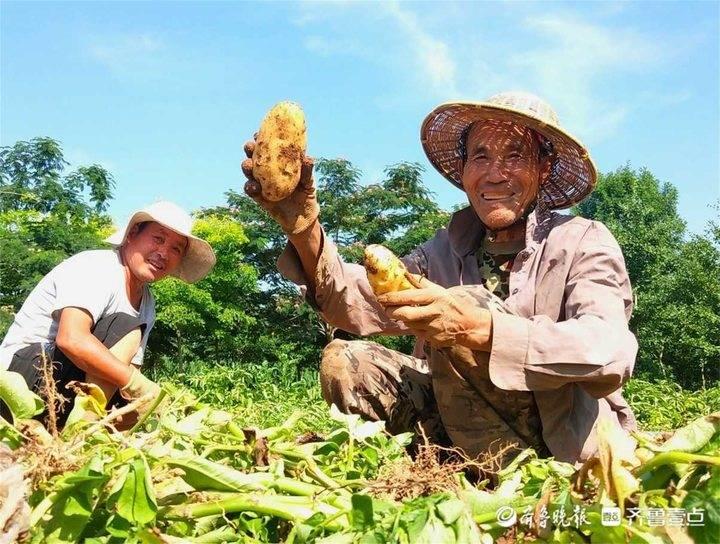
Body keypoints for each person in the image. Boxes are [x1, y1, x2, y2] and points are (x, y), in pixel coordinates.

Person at [242, 91, 638, 465]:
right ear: (464, 170)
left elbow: (608, 349)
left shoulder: (583, 240)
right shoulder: (446, 248)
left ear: (544, 168)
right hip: (458, 432)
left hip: (556, 444)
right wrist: (303, 225)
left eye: (515, 155)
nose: (494, 174)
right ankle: (442, 464)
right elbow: (357, 301)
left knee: (466, 305)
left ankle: (505, 480)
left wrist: (477, 328)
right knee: (347, 361)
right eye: (479, 156)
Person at [0, 200, 216, 424]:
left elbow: (128, 370)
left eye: (175, 248)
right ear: (132, 234)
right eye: (158, 239)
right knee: (126, 327)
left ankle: (78, 433)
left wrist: (154, 403)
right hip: (21, 380)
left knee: (137, 411)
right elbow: (71, 339)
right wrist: (140, 386)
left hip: (65, 392)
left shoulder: (147, 303)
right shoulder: (99, 267)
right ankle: (81, 430)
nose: (163, 253)